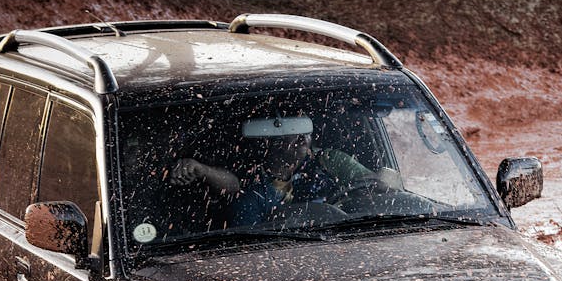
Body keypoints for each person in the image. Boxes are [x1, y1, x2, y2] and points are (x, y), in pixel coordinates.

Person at [169, 116, 399, 225]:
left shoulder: (328, 160)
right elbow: (233, 185)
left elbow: (373, 184)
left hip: (345, 236)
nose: (302, 139)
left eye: (305, 133)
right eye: (293, 133)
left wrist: (383, 183)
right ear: (272, 140)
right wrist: (201, 170)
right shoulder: (253, 183)